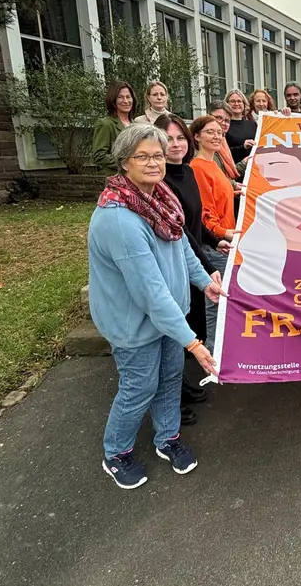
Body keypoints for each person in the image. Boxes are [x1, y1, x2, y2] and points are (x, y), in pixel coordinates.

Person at [87, 123, 221, 489]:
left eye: (158, 155)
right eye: (142, 156)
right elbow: (149, 292)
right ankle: (115, 452)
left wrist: (206, 281)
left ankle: (168, 439)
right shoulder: (119, 219)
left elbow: (182, 248)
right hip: (134, 323)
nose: (153, 163)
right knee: (139, 386)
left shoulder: (160, 199)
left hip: (168, 317)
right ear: (124, 163)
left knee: (169, 379)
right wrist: (193, 342)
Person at [153, 112, 226, 419]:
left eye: (180, 137)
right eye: (168, 138)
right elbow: (180, 234)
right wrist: (207, 265)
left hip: (192, 262)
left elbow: (194, 222)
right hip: (176, 265)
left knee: (192, 326)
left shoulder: (187, 172)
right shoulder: (161, 181)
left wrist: (215, 239)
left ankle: (180, 385)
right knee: (172, 337)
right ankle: (171, 402)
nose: (176, 144)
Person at [189, 115, 241, 244]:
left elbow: (215, 194)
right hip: (219, 240)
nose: (217, 137)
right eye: (210, 132)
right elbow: (205, 210)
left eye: (220, 133)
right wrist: (221, 233)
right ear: (197, 137)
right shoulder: (197, 167)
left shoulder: (213, 164)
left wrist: (232, 194)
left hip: (228, 233)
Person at [90, 80, 137, 170]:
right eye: (120, 97)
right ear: (113, 100)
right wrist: (125, 164)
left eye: (128, 97)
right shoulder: (105, 124)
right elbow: (99, 156)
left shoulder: (136, 124)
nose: (126, 101)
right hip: (117, 178)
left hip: (136, 178)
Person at [225, 89, 258, 165]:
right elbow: (224, 153)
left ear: (244, 104)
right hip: (235, 170)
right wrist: (243, 147)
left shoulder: (253, 125)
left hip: (253, 169)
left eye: (239, 101)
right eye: (233, 101)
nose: (236, 104)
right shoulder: (224, 126)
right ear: (227, 104)